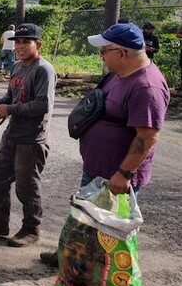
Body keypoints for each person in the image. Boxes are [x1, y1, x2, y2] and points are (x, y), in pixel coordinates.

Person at [40, 22, 170, 266]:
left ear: (122, 53)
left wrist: (123, 173)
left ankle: (94, 281)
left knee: (105, 232)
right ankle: (68, 259)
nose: (100, 55)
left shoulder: (147, 87)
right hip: (98, 170)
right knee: (85, 219)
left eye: (104, 50)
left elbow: (147, 136)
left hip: (115, 176)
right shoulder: (119, 74)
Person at [0, 23, 56, 247]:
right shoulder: (16, 66)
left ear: (38, 44)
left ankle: (31, 229)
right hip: (12, 134)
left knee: (27, 187)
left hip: (32, 139)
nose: (21, 46)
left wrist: (10, 109)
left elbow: (42, 105)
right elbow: (12, 97)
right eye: (18, 43)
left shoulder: (44, 69)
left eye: (27, 42)